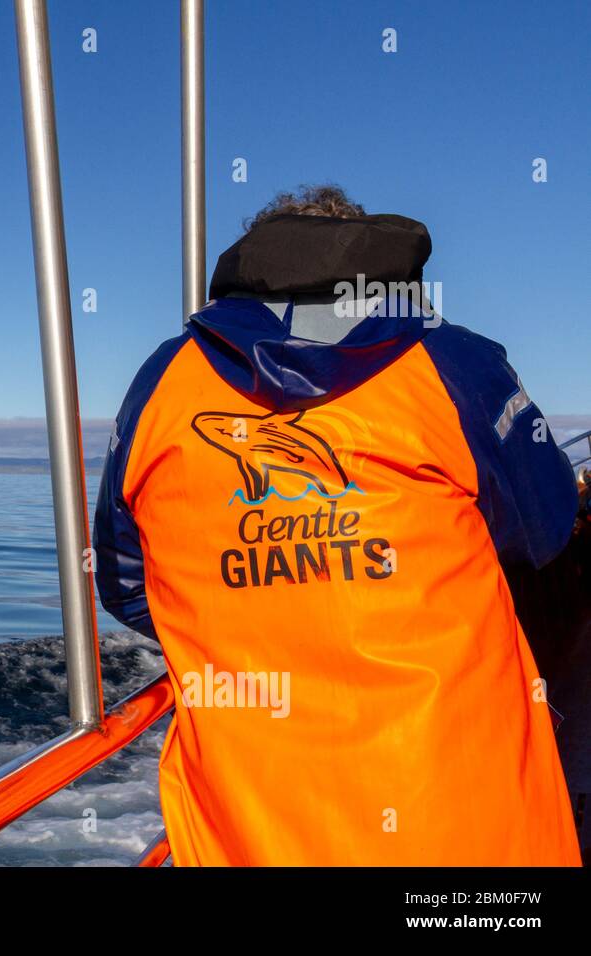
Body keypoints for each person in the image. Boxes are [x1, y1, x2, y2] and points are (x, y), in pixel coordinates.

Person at [93, 184, 582, 865]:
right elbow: (548, 530)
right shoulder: (453, 362)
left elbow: (123, 581)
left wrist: (269, 598)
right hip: (461, 823)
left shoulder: (162, 380)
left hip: (245, 826)